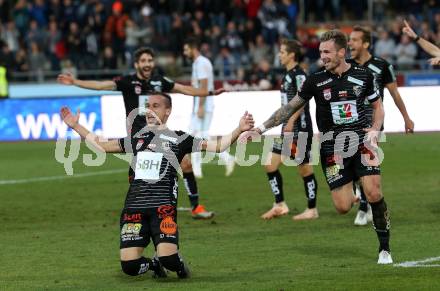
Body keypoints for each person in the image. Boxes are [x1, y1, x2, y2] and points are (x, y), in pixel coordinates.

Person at [60, 93, 255, 278]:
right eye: (147, 106)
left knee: (169, 259)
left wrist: (239, 129)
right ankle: (154, 264)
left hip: (163, 208)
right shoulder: (137, 138)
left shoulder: (180, 138)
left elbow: (217, 146)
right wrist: (76, 126)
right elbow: (102, 145)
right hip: (134, 207)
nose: (149, 110)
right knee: (130, 267)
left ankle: (177, 266)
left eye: (155, 106)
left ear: (167, 111)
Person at [241, 30, 392, 264]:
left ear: (342, 52)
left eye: (327, 52)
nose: (322, 56)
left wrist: (375, 128)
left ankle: (384, 249)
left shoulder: (364, 76)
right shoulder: (316, 80)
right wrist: (259, 129)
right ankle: (353, 183)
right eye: (321, 52)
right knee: (342, 207)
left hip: (362, 142)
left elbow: (378, 107)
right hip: (332, 148)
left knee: (374, 192)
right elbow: (289, 108)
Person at [58, 47, 223, 219]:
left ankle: (195, 207)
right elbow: (101, 85)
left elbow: (185, 89)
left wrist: (210, 93)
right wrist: (75, 82)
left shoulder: (159, 81)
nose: (147, 64)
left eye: (150, 60)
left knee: (186, 164)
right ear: (137, 64)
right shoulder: (127, 82)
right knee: (142, 175)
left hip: (159, 134)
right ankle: (140, 209)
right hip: (138, 137)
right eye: (143, 61)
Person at [348, 25, 414, 226]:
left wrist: (406, 118)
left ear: (366, 43)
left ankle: (363, 207)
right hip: (349, 121)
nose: (350, 43)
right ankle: (364, 198)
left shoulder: (382, 65)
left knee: (367, 163)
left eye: (354, 40)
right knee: (350, 164)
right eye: (349, 40)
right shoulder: (346, 65)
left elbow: (394, 94)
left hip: (372, 122)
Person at [260, 38, 319, 221]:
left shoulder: (299, 74)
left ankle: (312, 209)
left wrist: (292, 120)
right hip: (288, 129)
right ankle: (280, 205)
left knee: (304, 169)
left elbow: (304, 99)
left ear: (292, 55)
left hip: (299, 129)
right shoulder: (287, 75)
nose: (280, 55)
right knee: (270, 164)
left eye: (283, 52)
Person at [182, 37, 236, 179]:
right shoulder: (198, 63)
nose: (184, 52)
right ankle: (225, 158)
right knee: (199, 138)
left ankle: (198, 170)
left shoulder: (201, 63)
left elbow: (204, 87)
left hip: (204, 104)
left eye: (186, 49)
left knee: (196, 139)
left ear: (193, 48)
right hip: (201, 104)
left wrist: (200, 106)